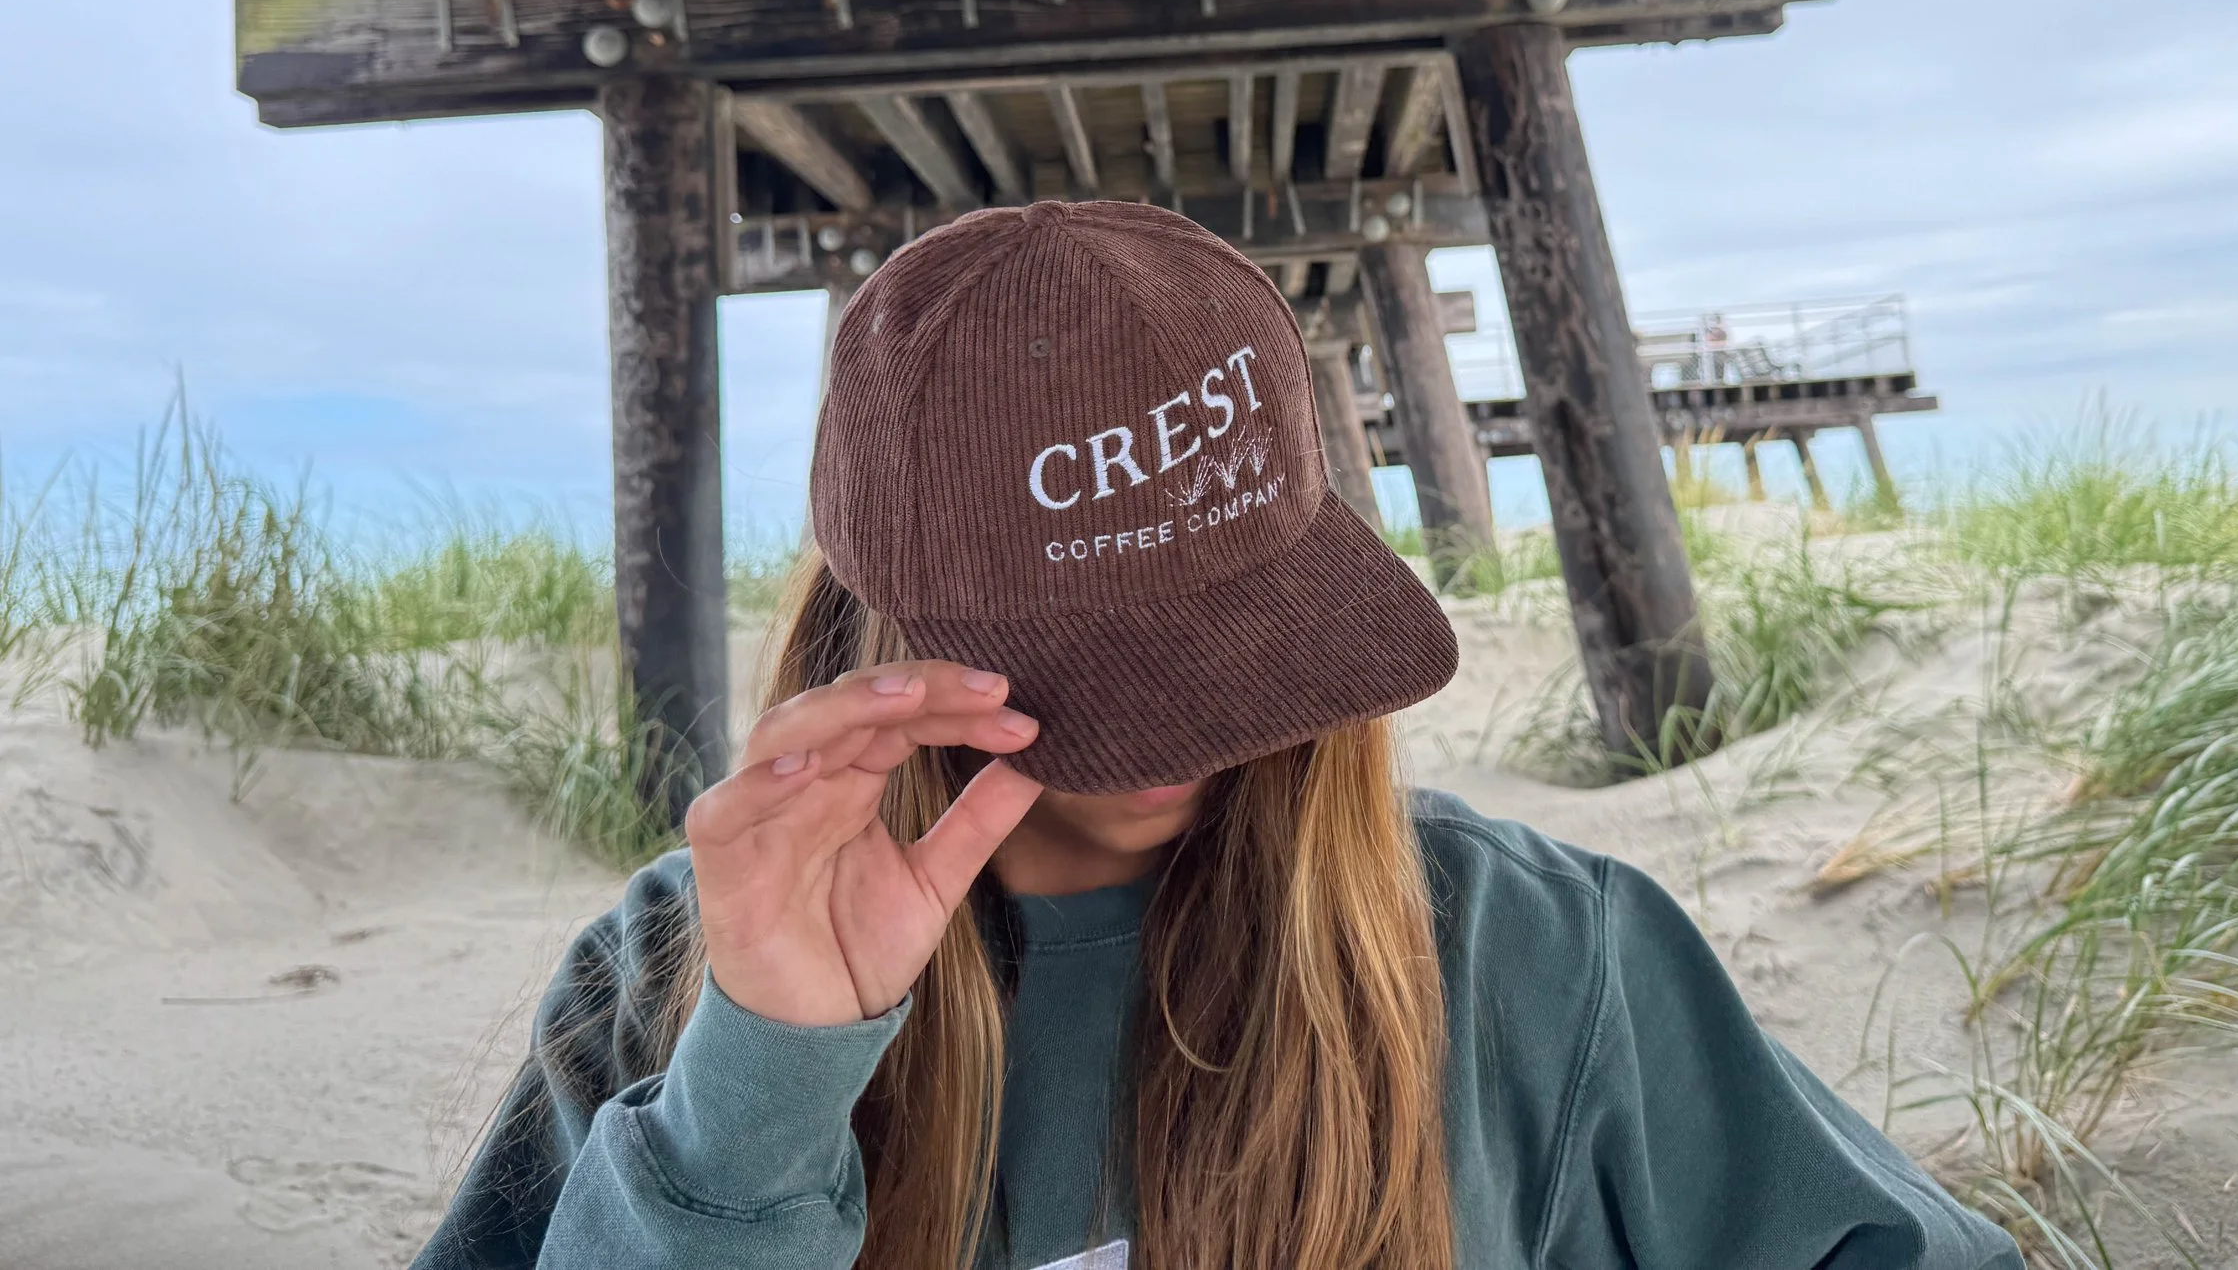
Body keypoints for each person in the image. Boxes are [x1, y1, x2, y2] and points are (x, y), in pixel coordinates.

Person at [414, 199, 2016, 1270]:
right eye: (1091, 659)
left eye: (1222, 638)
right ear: (877, 623)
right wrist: (755, 1096)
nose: (1170, 729)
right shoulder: (666, 985)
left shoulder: (1531, 948)